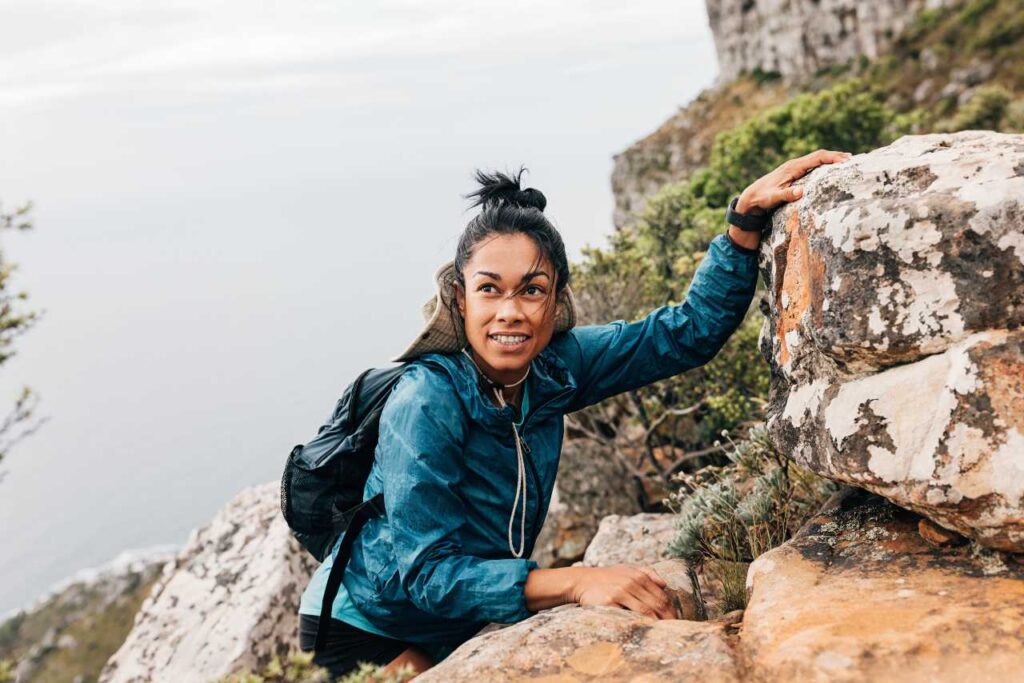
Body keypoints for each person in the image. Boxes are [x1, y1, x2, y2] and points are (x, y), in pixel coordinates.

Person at [297, 149, 853, 679]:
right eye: (489, 290)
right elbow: (427, 574)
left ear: (556, 298)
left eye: (531, 290)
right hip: (369, 623)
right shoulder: (427, 399)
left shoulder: (556, 367)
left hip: (463, 616)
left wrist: (740, 229)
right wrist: (576, 581)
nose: (510, 312)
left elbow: (685, 335)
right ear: (460, 298)